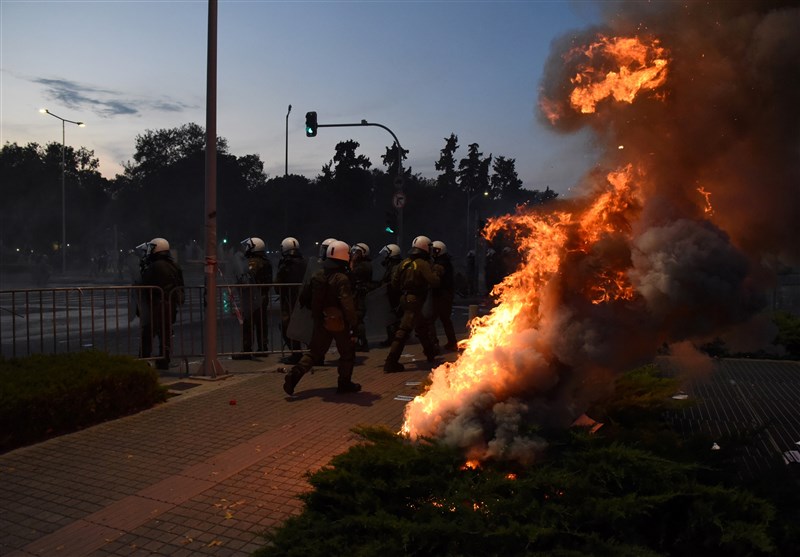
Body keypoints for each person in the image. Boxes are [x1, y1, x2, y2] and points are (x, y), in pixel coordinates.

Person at [283, 240, 361, 396]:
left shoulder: (317, 274)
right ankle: (344, 383)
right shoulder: (341, 279)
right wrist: (354, 324)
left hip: (320, 320)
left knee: (314, 352)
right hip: (340, 323)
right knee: (347, 353)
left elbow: (304, 297)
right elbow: (347, 304)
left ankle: (294, 375)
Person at [383, 235, 441, 373]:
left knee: (421, 327)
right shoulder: (422, 264)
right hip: (415, 300)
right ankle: (391, 362)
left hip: (405, 299)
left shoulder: (404, 263)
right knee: (403, 330)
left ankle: (430, 354)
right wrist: (437, 271)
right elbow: (435, 282)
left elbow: (394, 282)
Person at [139, 237, 184, 370]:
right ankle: (164, 359)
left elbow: (145, 283)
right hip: (171, 304)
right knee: (165, 334)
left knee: (149, 332)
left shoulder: (155, 266)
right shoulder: (175, 265)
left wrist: (143, 268)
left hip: (158, 304)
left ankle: (144, 358)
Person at [235, 237, 273, 359]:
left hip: (254, 296)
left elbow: (248, 278)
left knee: (248, 323)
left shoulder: (253, 262)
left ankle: (247, 350)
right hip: (262, 295)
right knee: (262, 322)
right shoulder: (265, 261)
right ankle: (263, 348)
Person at [276, 236, 307, 364]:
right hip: (304, 300)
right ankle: (314, 354)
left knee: (286, 327)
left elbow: (278, 286)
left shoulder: (286, 264)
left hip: (290, 301)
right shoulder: (305, 262)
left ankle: (296, 354)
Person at [429, 240, 459, 352]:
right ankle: (452, 342)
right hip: (445, 295)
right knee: (445, 320)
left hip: (442, 295)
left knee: (431, 320)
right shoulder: (445, 261)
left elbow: (435, 278)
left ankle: (434, 344)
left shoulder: (441, 263)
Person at [349, 242, 373, 352]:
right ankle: (360, 342)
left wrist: (352, 261)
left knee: (358, 318)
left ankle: (362, 343)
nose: (354, 254)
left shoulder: (364, 265)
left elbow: (351, 273)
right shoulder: (363, 264)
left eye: (356, 252)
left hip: (360, 295)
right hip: (358, 294)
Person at [377, 243, 402, 346]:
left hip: (395, 296)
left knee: (392, 319)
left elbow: (393, 282)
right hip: (392, 295)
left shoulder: (395, 266)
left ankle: (394, 339)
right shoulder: (393, 265)